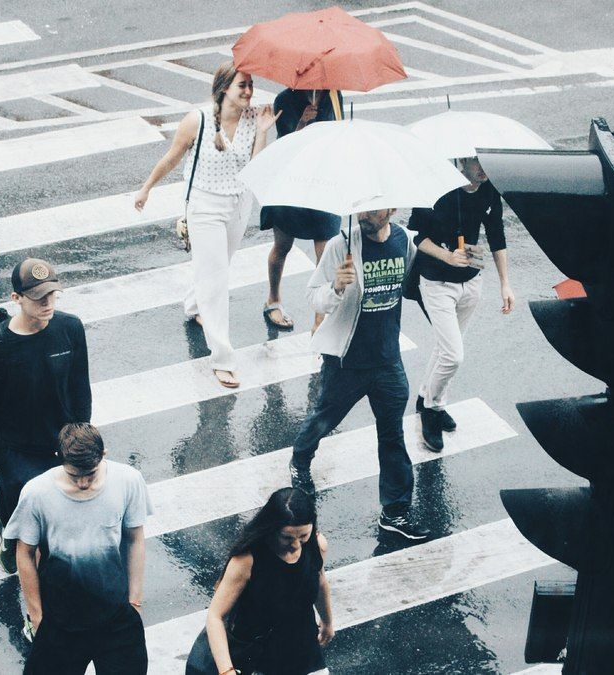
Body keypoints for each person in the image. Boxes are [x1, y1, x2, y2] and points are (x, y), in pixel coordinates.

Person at [134, 61, 278, 389]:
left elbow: (255, 166)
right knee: (216, 281)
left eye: (251, 85)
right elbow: (171, 157)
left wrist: (263, 132)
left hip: (239, 203)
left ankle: (193, 304)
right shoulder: (196, 120)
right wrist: (146, 188)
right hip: (205, 206)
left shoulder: (254, 117)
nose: (249, 91)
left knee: (217, 266)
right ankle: (223, 359)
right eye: (242, 85)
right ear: (224, 88)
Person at [289, 209, 431, 541]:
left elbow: (412, 284)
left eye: (374, 208)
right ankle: (300, 458)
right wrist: (336, 287)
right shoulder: (342, 246)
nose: (364, 214)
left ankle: (395, 511)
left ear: (392, 209)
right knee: (325, 417)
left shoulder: (404, 241)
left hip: (386, 361)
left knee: (393, 437)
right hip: (346, 361)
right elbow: (313, 295)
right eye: (362, 207)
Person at [0, 258, 92, 574]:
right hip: (19, 452)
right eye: (38, 298)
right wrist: (4, 457)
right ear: (16, 299)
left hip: (62, 444)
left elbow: (80, 388)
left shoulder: (70, 329)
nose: (48, 304)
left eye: (52, 295)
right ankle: (8, 530)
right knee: (21, 529)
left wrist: (81, 438)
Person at [5, 423, 151, 674]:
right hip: (60, 620)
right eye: (75, 475)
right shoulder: (37, 493)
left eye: (91, 474)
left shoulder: (128, 480)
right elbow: (25, 554)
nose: (83, 483)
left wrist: (134, 601)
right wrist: (36, 616)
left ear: (104, 454)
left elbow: (135, 538)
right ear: (59, 459)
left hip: (116, 616)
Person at [407, 156, 515, 451]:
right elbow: (419, 238)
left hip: (472, 279)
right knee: (453, 355)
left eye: (483, 160)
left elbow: (496, 235)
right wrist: (447, 257)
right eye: (475, 161)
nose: (482, 167)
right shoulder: (436, 188)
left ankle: (426, 397)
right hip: (436, 282)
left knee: (446, 348)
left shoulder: (489, 188)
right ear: (461, 162)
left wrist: (505, 283)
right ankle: (431, 409)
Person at [188, 487, 333, 675]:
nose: (296, 544)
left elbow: (320, 581)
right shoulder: (247, 560)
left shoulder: (316, 545)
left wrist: (327, 621)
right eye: (287, 537)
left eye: (303, 536)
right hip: (259, 656)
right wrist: (226, 671)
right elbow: (216, 616)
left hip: (303, 648)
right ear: (272, 529)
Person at [258, 89, 342, 332]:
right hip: (291, 184)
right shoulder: (284, 100)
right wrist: (303, 122)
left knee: (325, 253)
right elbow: (283, 149)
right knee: (282, 247)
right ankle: (273, 298)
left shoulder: (334, 96)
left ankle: (319, 317)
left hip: (324, 183)